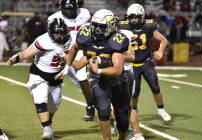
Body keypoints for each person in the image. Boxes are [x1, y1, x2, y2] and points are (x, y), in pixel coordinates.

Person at [55, 9, 144, 140]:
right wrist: (67, 65)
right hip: (99, 80)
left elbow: (118, 69)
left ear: (111, 26)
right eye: (95, 26)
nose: (97, 30)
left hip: (118, 80)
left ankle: (123, 136)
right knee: (103, 109)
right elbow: (74, 49)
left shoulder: (117, 40)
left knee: (123, 116)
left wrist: (99, 69)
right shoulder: (86, 36)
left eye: (101, 27)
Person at [7, 18, 71, 140]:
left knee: (53, 106)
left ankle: (48, 125)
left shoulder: (72, 40)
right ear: (50, 32)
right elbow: (26, 53)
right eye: (56, 33)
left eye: (61, 33)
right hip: (39, 74)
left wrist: (65, 57)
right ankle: (47, 130)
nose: (58, 36)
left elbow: (74, 60)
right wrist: (15, 58)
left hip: (56, 77)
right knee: (40, 99)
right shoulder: (43, 40)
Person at [48, 0, 95, 121]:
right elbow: (51, 36)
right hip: (63, 49)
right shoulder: (54, 18)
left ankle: (90, 105)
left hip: (80, 49)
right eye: (66, 9)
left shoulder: (85, 13)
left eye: (71, 9)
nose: (69, 12)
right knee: (72, 80)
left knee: (81, 76)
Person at [125, 3, 171, 122]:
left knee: (155, 87)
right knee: (135, 92)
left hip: (146, 62)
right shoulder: (123, 27)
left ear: (142, 16)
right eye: (132, 17)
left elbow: (164, 40)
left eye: (137, 17)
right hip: (131, 64)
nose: (134, 20)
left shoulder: (149, 26)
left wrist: (160, 51)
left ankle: (161, 109)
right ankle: (133, 109)